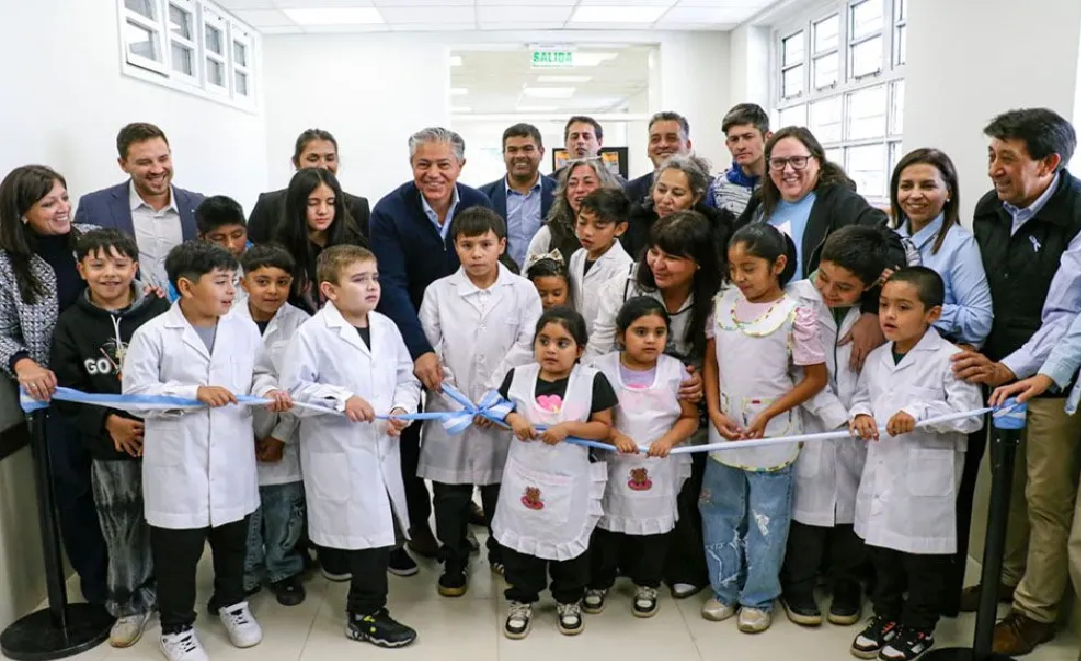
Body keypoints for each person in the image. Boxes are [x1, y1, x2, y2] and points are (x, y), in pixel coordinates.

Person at [950, 108, 1081, 656]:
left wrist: (1019, 368)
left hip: (1052, 377)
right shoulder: (990, 209)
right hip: (998, 373)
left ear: (1049, 163)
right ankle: (1006, 577)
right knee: (1004, 486)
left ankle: (1036, 612)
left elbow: (1068, 318)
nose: (993, 170)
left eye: (1007, 158)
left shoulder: (1077, 216)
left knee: (1046, 496)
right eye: (991, 156)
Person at [123, 241, 283, 661]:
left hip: (231, 459)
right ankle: (176, 629)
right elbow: (135, 396)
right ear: (186, 287)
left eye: (233, 282)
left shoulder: (242, 327)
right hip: (180, 466)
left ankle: (232, 603)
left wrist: (268, 392)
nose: (232, 291)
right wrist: (193, 392)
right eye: (221, 282)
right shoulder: (153, 334)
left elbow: (260, 371)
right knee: (178, 556)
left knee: (234, 543)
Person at [279, 244, 420, 648]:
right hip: (340, 452)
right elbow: (294, 392)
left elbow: (406, 377)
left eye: (374, 277)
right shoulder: (312, 334)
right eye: (359, 279)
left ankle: (368, 606)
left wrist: (402, 407)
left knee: (379, 533)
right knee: (367, 539)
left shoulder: (387, 327)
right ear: (330, 289)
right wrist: (342, 400)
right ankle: (365, 614)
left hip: (381, 446)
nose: (372, 286)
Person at [584, 210, 722, 600]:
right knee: (612, 496)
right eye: (655, 253)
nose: (659, 264)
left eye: (673, 257)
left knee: (676, 495)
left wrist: (698, 378)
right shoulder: (623, 287)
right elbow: (598, 345)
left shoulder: (716, 295)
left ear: (698, 263)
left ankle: (672, 569)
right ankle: (609, 571)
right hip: (619, 402)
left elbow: (719, 352)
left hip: (681, 398)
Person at [848, 268, 983, 661]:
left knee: (922, 563)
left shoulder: (952, 359)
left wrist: (920, 411)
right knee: (882, 557)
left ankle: (919, 627)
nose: (889, 315)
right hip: (881, 473)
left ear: (933, 314)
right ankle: (886, 616)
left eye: (903, 307)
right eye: (885, 305)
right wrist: (859, 415)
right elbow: (861, 397)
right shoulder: (876, 358)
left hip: (926, 480)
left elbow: (970, 416)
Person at [699, 223, 827, 633]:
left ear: (779, 265)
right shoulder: (722, 304)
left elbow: (814, 379)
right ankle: (723, 590)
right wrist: (715, 411)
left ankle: (758, 598)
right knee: (718, 512)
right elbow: (712, 361)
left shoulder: (796, 314)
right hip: (725, 431)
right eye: (733, 268)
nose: (739, 278)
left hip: (771, 437)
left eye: (749, 268)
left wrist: (769, 414)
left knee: (766, 520)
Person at [49, 228, 170, 648]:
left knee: (169, 521)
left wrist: (155, 420)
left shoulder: (159, 311)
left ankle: (171, 596)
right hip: (108, 444)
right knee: (121, 525)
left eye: (120, 264)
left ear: (135, 267)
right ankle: (129, 605)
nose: (110, 274)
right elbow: (65, 388)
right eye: (98, 265)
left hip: (164, 436)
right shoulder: (71, 323)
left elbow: (179, 370)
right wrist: (108, 422)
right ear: (81, 269)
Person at [0, 165, 109, 607]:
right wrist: (20, 361)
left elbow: (130, 282)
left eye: (64, 197)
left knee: (128, 487)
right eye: (49, 203)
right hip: (55, 400)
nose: (63, 209)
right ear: (23, 213)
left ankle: (141, 581)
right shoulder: (7, 264)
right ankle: (99, 589)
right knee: (74, 492)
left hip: (112, 387)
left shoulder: (93, 237)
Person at [418, 207, 541, 595]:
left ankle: (502, 552)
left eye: (485, 244)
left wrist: (493, 400)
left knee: (499, 488)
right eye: (467, 245)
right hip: (451, 407)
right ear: (455, 246)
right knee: (450, 493)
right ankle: (453, 558)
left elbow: (528, 345)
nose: (476, 254)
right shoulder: (438, 292)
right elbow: (430, 347)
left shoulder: (523, 291)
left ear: (501, 245)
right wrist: (458, 397)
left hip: (501, 410)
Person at [783, 226, 899, 627]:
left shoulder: (880, 313)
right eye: (825, 279)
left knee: (853, 511)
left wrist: (858, 413)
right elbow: (797, 375)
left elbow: (877, 370)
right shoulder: (793, 299)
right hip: (812, 422)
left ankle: (845, 583)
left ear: (867, 288)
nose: (830, 292)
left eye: (845, 288)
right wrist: (839, 416)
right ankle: (798, 585)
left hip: (861, 423)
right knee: (806, 511)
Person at [493, 307, 617, 639]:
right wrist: (512, 419)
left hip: (569, 482)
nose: (551, 349)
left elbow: (603, 428)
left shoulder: (592, 381)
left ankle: (568, 598)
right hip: (525, 477)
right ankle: (521, 598)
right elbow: (496, 405)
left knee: (569, 542)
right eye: (544, 341)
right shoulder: (517, 376)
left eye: (563, 343)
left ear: (579, 350)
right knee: (522, 542)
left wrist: (568, 428)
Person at [738, 126, 895, 371]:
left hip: (820, 323)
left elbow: (888, 246)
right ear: (768, 167)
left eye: (798, 161)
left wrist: (873, 311)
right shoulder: (761, 203)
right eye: (778, 162)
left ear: (817, 162)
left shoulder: (840, 201)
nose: (788, 170)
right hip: (768, 322)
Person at [583, 296, 699, 618]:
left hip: (659, 463)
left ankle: (647, 581)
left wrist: (669, 439)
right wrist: (615, 436)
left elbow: (689, 418)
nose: (651, 340)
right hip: (614, 461)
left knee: (654, 529)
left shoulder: (676, 371)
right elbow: (593, 417)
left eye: (659, 333)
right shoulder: (600, 369)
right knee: (606, 524)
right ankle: (599, 580)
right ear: (621, 335)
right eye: (641, 332)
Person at [236, 245, 311, 606]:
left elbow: (305, 386)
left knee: (285, 509)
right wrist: (244, 436)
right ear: (242, 282)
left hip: (286, 435)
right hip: (236, 434)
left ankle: (284, 569)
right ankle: (246, 573)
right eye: (261, 281)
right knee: (244, 512)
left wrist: (280, 436)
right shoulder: (225, 320)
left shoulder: (302, 324)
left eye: (281, 282)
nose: (271, 290)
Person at [74, 123, 204, 290]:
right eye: (145, 162)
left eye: (163, 159)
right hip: (126, 313)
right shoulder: (95, 207)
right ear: (123, 164)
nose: (157, 169)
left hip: (187, 312)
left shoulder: (199, 206)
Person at [890, 149, 992, 347]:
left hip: (935, 356)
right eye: (906, 186)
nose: (915, 195)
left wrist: (921, 308)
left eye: (928, 186)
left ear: (949, 193)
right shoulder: (889, 239)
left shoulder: (960, 245)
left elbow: (979, 321)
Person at [247, 128, 370, 244]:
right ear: (296, 162)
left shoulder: (358, 208)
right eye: (313, 158)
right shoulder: (268, 205)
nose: (323, 165)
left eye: (329, 158)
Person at [272, 168, 367, 315]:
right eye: (313, 203)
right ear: (297, 205)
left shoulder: (353, 243)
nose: (323, 210)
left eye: (330, 202)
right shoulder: (282, 248)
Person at [624, 154, 735, 260]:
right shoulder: (634, 220)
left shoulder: (715, 227)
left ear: (696, 197)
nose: (666, 200)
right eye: (661, 190)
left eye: (677, 193)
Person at [479, 124, 557, 270]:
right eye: (512, 150)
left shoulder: (560, 193)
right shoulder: (483, 197)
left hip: (549, 283)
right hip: (500, 279)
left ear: (541, 152)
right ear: (504, 155)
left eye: (527, 149)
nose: (520, 155)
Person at [525, 157, 623, 267]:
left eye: (588, 182)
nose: (579, 189)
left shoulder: (620, 232)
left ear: (604, 187)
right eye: (572, 184)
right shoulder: (549, 234)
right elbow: (527, 278)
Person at [568, 189, 632, 335]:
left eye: (599, 226)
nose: (587, 232)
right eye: (582, 222)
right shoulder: (576, 257)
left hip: (605, 347)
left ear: (620, 228)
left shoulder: (623, 268)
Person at [166, 196, 252, 304]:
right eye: (219, 238)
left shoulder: (262, 263)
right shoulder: (186, 272)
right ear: (201, 237)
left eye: (237, 235)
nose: (230, 245)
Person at [709, 103, 771, 215]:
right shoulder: (717, 187)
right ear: (727, 143)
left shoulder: (783, 183)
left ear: (767, 137)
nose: (740, 146)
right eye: (734, 139)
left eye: (748, 137)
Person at [624, 112, 697, 205]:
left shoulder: (710, 189)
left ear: (687, 145)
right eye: (655, 139)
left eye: (671, 138)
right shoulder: (632, 190)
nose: (663, 145)